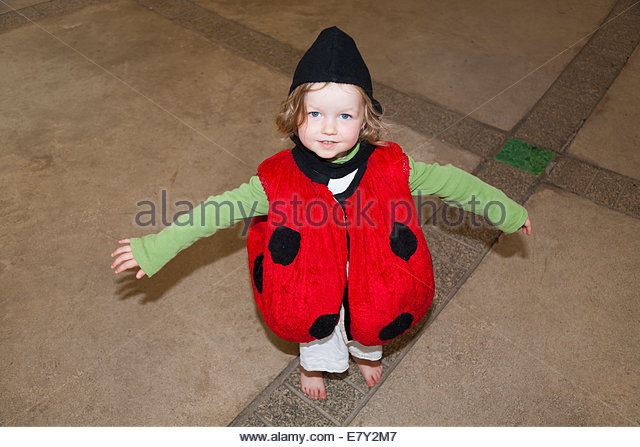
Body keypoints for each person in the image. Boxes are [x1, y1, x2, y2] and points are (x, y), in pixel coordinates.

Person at [111, 27, 532, 400]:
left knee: (372, 319)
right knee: (314, 328)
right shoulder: (274, 181)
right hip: (311, 280)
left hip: (373, 274)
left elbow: (456, 184)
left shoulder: (394, 167)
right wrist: (157, 247)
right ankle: (312, 365)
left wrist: (507, 212)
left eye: (344, 116)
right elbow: (214, 212)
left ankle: (367, 353)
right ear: (295, 113)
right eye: (315, 113)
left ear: (366, 120)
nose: (329, 128)